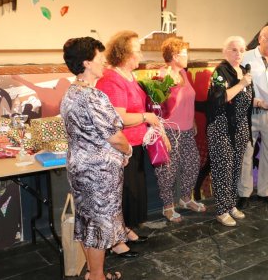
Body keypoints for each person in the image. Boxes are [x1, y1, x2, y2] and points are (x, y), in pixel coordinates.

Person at [61, 37, 132, 280]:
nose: (104, 61)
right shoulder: (94, 97)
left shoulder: (70, 93)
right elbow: (115, 137)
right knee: (100, 226)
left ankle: (93, 273)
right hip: (99, 173)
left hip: (78, 167)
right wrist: (128, 150)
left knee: (87, 221)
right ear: (87, 62)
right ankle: (99, 277)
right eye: (99, 57)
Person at [96, 30, 159, 257]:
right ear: (124, 54)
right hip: (120, 146)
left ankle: (126, 229)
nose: (140, 54)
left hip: (136, 143)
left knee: (133, 192)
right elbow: (119, 117)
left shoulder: (129, 76)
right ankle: (116, 242)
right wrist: (146, 117)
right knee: (121, 194)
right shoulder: (112, 79)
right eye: (137, 50)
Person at [155, 38, 206, 223]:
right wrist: (161, 134)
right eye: (185, 54)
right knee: (168, 172)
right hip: (169, 131)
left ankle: (185, 199)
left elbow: (188, 98)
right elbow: (157, 109)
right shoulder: (163, 76)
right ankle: (168, 207)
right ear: (175, 56)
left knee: (193, 164)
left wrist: (191, 119)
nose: (187, 57)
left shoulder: (183, 73)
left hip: (186, 129)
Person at [237, 25, 268, 207]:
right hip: (250, 112)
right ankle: (244, 193)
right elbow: (240, 87)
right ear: (260, 38)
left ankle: (266, 192)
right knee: (245, 154)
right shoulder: (246, 57)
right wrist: (257, 102)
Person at [207, 36, 254, 226]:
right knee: (222, 169)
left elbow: (246, 99)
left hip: (240, 127)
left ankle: (231, 204)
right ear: (224, 52)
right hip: (222, 127)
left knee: (235, 168)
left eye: (242, 50)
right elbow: (219, 99)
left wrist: (259, 101)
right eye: (234, 50)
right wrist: (242, 84)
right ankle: (221, 209)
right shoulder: (220, 72)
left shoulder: (243, 70)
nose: (238, 54)